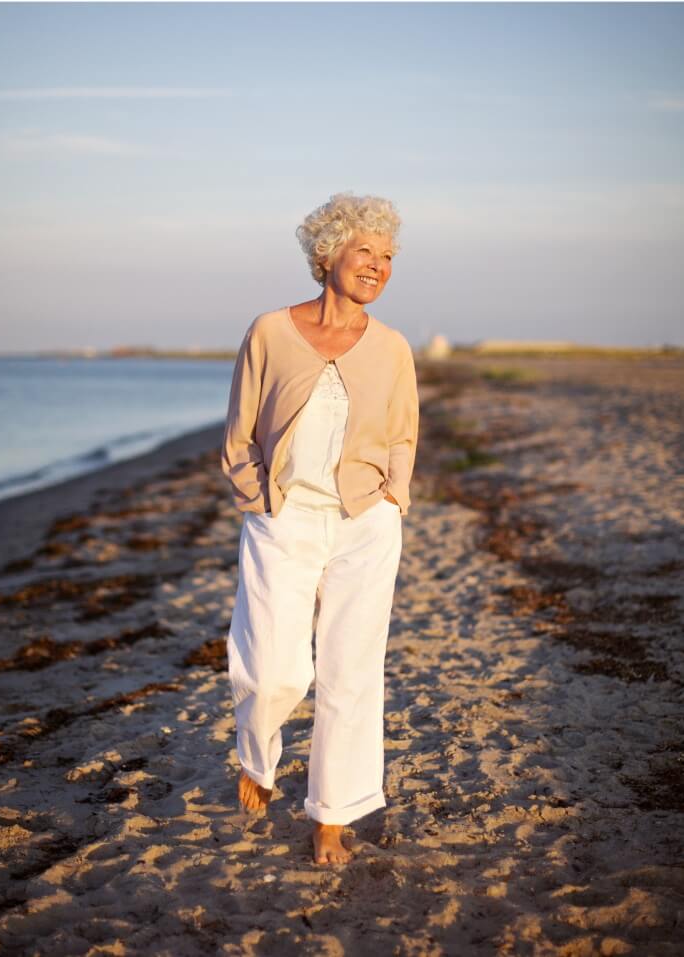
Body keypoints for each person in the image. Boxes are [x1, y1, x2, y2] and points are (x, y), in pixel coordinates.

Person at [221, 191, 419, 865]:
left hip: (366, 521)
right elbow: (239, 435)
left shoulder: (392, 348)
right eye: (365, 250)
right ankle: (257, 755)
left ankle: (332, 816)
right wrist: (263, 500)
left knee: (351, 670)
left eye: (388, 255)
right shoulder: (270, 332)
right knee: (273, 665)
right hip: (285, 514)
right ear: (327, 252)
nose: (378, 265)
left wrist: (392, 497)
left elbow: (402, 433)